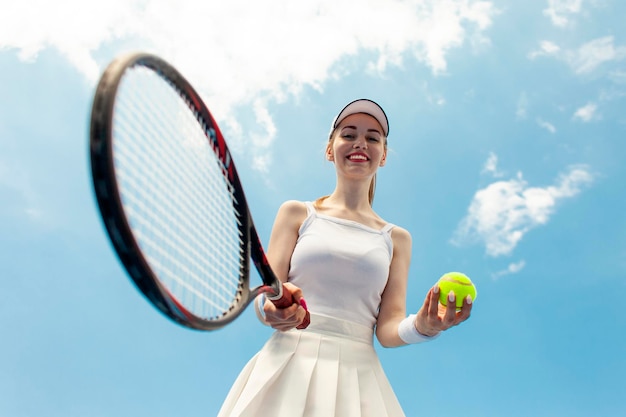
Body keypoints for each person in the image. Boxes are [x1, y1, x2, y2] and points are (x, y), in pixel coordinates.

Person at [218, 99, 473, 417]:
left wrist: (423, 326)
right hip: (286, 361)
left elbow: (388, 329)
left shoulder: (397, 239)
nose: (360, 143)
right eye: (349, 134)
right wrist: (271, 311)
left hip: (359, 375)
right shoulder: (296, 213)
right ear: (330, 150)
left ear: (383, 157)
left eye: (373, 137)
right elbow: (267, 296)